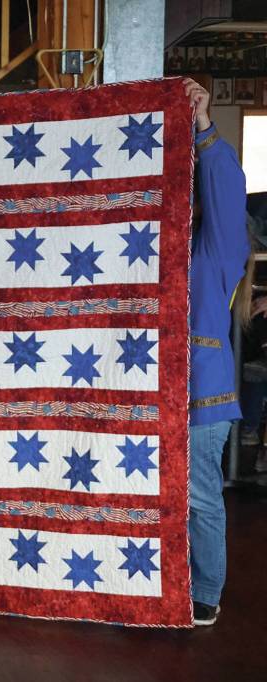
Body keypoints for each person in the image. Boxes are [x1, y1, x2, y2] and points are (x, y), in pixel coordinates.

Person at [183, 77, 250, 626]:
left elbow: (226, 195)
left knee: (200, 497)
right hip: (155, 391)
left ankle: (205, 590)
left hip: (202, 392)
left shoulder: (217, 250)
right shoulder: (164, 248)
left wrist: (204, 125)